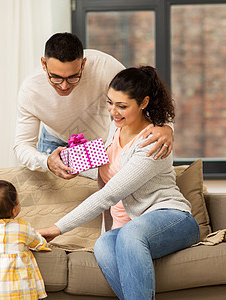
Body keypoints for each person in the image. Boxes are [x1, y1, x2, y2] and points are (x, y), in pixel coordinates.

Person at [38, 66, 200, 299]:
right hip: (136, 227)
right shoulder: (115, 129)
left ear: (144, 103)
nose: (114, 112)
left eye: (122, 106)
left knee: (129, 234)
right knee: (103, 244)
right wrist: (63, 161)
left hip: (174, 218)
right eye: (110, 102)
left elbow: (109, 194)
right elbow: (108, 168)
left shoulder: (151, 143)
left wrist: (57, 228)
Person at [13, 32, 174, 180]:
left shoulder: (104, 66)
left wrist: (167, 127)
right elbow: (22, 145)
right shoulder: (30, 90)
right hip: (53, 143)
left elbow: (143, 95)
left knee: (106, 186)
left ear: (83, 64)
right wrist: (46, 161)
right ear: (43, 64)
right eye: (55, 77)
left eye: (72, 77)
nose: (63, 86)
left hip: (99, 146)